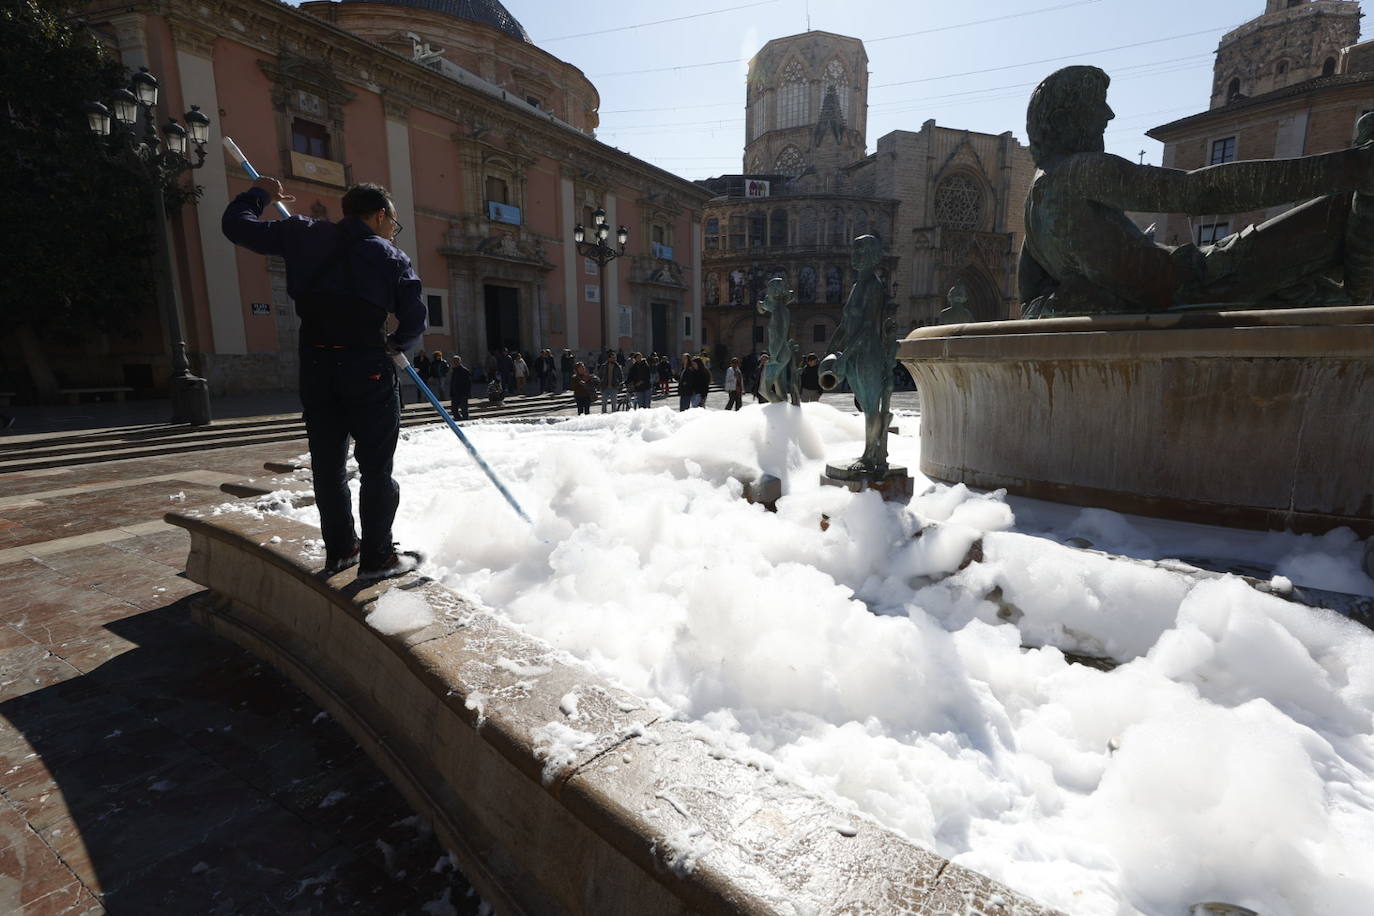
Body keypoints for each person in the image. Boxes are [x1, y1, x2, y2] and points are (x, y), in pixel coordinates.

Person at [222, 177, 424, 581]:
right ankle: (378, 557)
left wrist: (259, 194)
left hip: (315, 363)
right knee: (376, 469)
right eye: (393, 223)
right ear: (381, 215)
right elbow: (415, 318)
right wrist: (398, 344)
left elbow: (236, 225)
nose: (392, 230)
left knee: (328, 467)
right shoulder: (390, 256)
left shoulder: (301, 233)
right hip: (367, 365)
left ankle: (342, 550)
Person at [449, 354, 471, 420]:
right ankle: (459, 419)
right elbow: (452, 382)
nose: (454, 363)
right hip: (455, 393)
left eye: (456, 361)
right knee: (454, 409)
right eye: (454, 362)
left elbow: (468, 383)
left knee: (464, 409)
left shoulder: (465, 371)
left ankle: (465, 421)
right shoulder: (454, 371)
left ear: (459, 362)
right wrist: (451, 392)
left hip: (463, 393)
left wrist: (467, 393)